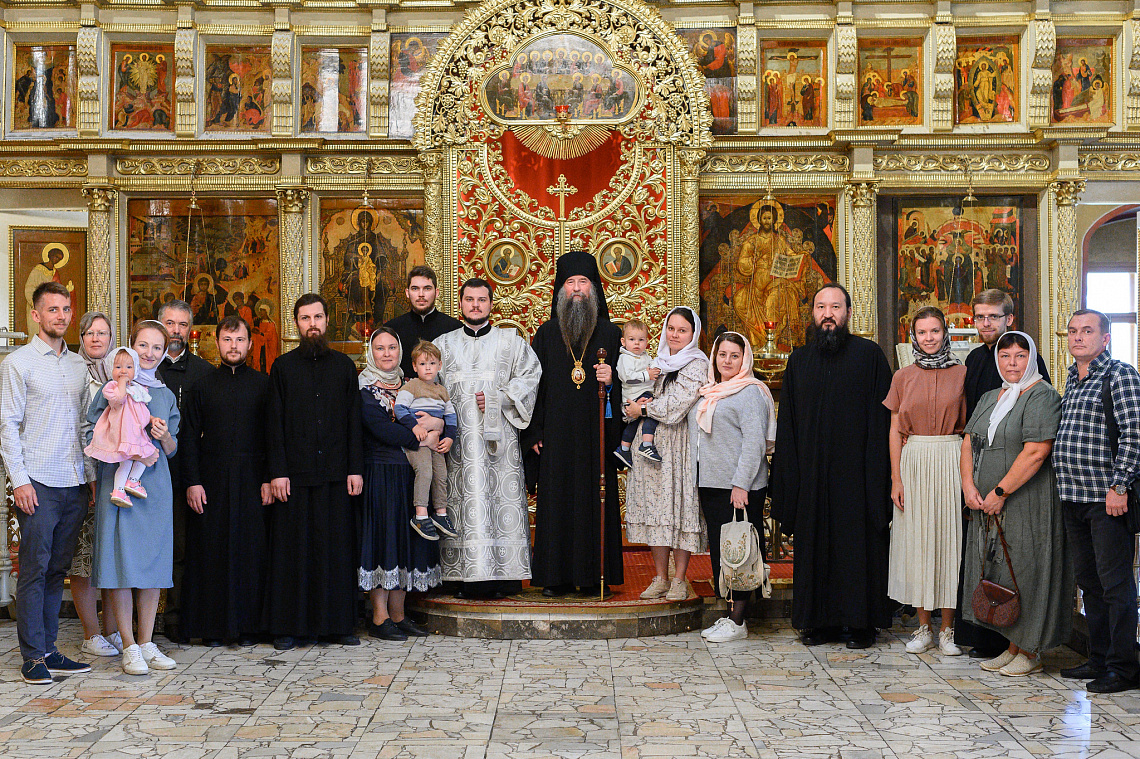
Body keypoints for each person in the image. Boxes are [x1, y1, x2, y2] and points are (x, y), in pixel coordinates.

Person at [770, 283, 892, 650]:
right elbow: (788, 423)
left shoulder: (870, 357)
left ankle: (860, 624)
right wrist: (790, 478)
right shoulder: (799, 360)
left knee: (857, 548)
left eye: (835, 307)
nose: (828, 314)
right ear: (813, 313)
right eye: (821, 306)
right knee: (814, 547)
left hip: (857, 476)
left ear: (848, 314)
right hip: (812, 475)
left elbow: (883, 422)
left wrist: (877, 477)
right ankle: (817, 622)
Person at [960, 331, 1070, 676]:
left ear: (1032, 359)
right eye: (1005, 357)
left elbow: (1036, 451)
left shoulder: (1042, 396)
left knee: (1027, 570)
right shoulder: (992, 396)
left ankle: (1031, 651)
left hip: (1026, 501)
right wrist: (968, 486)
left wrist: (1000, 492)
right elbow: (968, 443)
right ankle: (1012, 646)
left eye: (1020, 356)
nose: (1012, 363)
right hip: (986, 503)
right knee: (1003, 572)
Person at [0, 281, 93, 684]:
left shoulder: (78, 366)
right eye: (52, 309)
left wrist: (90, 478)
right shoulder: (17, 363)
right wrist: (19, 481)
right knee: (35, 571)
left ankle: (50, 650)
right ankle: (32, 657)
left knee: (59, 571)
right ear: (35, 315)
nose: (60, 315)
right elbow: (7, 426)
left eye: (65, 309)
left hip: (74, 482)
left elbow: (86, 426)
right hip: (37, 483)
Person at [266, 294, 364, 650]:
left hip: (337, 474)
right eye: (305, 318)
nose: (312, 324)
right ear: (297, 323)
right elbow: (274, 425)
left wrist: (356, 469)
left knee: (336, 552)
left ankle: (338, 625)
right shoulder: (282, 367)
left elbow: (355, 421)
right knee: (293, 553)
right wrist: (277, 472)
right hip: (294, 476)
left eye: (318, 317)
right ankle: (290, 627)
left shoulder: (343, 367)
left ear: (326, 321)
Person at [524, 252, 624, 597]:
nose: (577, 289)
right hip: (556, 435)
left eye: (583, 282)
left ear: (594, 288)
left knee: (594, 502)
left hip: (596, 434)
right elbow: (534, 385)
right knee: (558, 502)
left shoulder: (611, 334)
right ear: (560, 290)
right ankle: (555, 577)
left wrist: (612, 380)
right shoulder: (547, 333)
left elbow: (628, 389)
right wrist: (535, 431)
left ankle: (593, 576)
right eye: (571, 283)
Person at [434, 278, 541, 599]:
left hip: (500, 446)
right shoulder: (443, 345)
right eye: (470, 299)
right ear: (461, 303)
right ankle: (461, 577)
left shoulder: (512, 343)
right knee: (460, 504)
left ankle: (504, 578)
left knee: (497, 505)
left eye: (482, 300)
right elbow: (429, 386)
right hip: (458, 447)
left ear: (491, 304)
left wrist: (500, 396)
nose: (476, 305)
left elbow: (531, 376)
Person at [1054, 309, 1140, 694]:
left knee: (1116, 585)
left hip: (1108, 501)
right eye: (1073, 331)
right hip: (1073, 497)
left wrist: (1119, 486)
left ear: (1105, 339)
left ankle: (1125, 668)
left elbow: (1134, 436)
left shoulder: (1120, 375)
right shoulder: (1072, 379)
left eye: (1087, 331)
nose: (1078, 337)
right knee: (1089, 583)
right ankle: (1100, 657)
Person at [88, 320, 180, 676]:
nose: (150, 353)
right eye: (143, 345)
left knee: (153, 565)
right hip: (117, 483)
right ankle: (127, 645)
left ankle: (146, 641)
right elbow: (91, 429)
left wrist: (163, 435)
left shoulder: (166, 394)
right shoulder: (112, 388)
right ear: (131, 346)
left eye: (157, 347)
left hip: (153, 484)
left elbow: (172, 448)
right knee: (121, 563)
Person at [179, 315, 272, 646]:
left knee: (252, 552)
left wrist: (268, 479)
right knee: (212, 553)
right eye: (227, 340)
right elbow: (188, 437)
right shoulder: (202, 385)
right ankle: (213, 628)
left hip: (252, 480)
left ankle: (248, 628)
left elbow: (271, 438)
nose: (234, 346)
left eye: (240, 340)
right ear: (217, 343)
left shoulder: (263, 385)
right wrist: (192, 481)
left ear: (249, 343)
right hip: (211, 481)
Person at [884, 307, 967, 656]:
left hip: (951, 454)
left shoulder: (964, 373)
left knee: (949, 540)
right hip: (914, 458)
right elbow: (894, 429)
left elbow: (970, 426)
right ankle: (923, 627)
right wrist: (896, 478)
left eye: (935, 331)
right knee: (917, 541)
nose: (929, 338)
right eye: (922, 332)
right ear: (913, 336)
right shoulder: (902, 376)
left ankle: (948, 629)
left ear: (945, 333)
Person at [358, 327, 440, 641]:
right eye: (380, 348)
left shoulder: (414, 386)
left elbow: (437, 413)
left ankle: (398, 614)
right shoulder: (364, 390)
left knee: (407, 542)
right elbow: (381, 430)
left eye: (392, 347)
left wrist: (436, 429)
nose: (387, 353)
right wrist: (424, 436)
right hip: (380, 474)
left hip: (410, 475)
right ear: (371, 353)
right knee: (384, 540)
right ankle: (378, 618)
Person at [694, 331, 776, 643]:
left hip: (738, 487)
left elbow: (754, 444)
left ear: (745, 359)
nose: (727, 361)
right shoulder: (714, 390)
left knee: (740, 552)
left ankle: (739, 620)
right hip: (714, 484)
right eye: (722, 354)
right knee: (723, 552)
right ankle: (730, 615)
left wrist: (741, 484)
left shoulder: (750, 393)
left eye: (734, 356)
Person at [624, 306, 709, 602]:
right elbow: (632, 391)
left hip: (678, 443)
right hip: (648, 445)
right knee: (655, 511)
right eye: (671, 328)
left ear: (693, 334)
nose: (674, 335)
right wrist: (631, 404)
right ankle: (660, 577)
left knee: (678, 507)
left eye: (682, 330)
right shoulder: (657, 361)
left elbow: (677, 404)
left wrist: (643, 408)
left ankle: (679, 579)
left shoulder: (697, 364)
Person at [155, 299, 212, 643]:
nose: (176, 331)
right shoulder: (144, 367)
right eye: (170, 324)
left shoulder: (205, 372)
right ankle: (140, 619)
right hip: (145, 474)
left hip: (186, 475)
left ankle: (178, 618)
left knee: (184, 549)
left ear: (190, 330)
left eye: (182, 325)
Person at [70, 311, 122, 657]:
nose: (96, 339)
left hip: (114, 476)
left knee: (112, 555)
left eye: (102, 333)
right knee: (84, 557)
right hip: (80, 475)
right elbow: (76, 428)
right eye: (89, 332)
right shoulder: (72, 372)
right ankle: (91, 634)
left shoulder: (120, 373)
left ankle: (113, 630)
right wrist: (88, 473)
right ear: (82, 336)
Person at [394, 340, 458, 540]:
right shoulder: (411, 386)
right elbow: (399, 409)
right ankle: (420, 514)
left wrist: (449, 438)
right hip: (418, 442)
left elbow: (451, 417)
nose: (427, 368)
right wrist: (415, 426)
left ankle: (440, 513)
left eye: (431, 364)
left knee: (441, 473)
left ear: (439, 365)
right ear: (414, 367)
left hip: (436, 442)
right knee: (425, 470)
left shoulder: (441, 391)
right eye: (422, 364)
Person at [385, 265, 462, 379]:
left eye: (427, 288)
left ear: (436, 293)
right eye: (415, 288)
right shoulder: (392, 329)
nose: (421, 294)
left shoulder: (455, 328)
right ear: (407, 292)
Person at [612, 319, 661, 468]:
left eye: (641, 340)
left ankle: (624, 449)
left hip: (642, 395)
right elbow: (627, 378)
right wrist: (647, 375)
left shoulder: (644, 356)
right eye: (632, 339)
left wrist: (656, 367)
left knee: (633, 426)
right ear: (623, 341)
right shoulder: (625, 358)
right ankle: (646, 444)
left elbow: (652, 366)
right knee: (652, 413)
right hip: (633, 397)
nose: (637, 344)